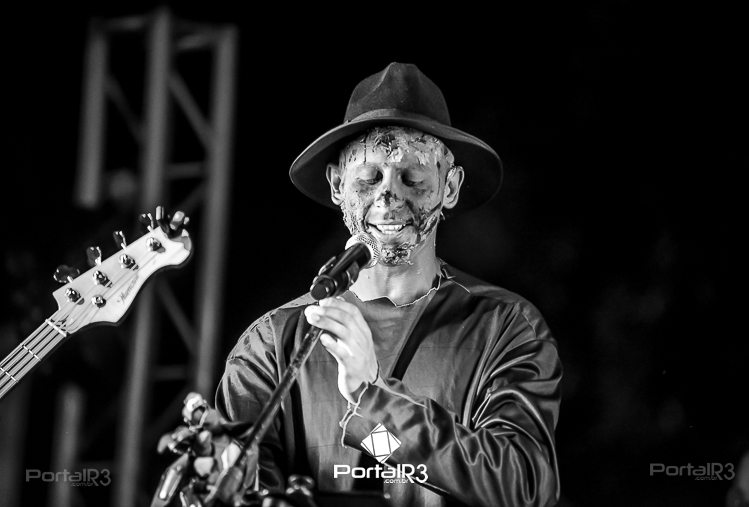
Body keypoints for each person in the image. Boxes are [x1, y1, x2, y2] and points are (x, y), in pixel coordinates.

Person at [215, 62, 562, 507]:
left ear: (450, 187)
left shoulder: (505, 328)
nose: (388, 197)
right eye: (368, 178)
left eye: (413, 178)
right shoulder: (271, 344)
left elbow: (523, 487)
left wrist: (372, 398)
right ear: (337, 185)